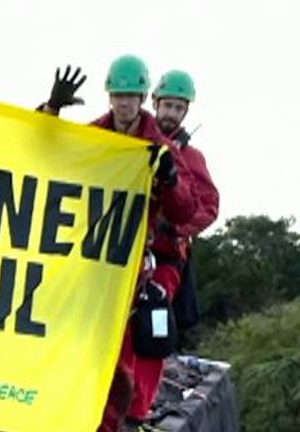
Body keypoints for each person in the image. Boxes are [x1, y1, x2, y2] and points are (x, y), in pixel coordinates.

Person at [39, 55, 197, 432]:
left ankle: (112, 424)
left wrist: (171, 179)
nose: (124, 103)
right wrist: (51, 109)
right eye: (118, 95)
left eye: (131, 96)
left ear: (143, 97)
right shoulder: (98, 134)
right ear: (109, 96)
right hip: (91, 258)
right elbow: (50, 152)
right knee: (75, 342)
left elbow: (186, 209)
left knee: (121, 355)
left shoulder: (160, 148)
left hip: (129, 269)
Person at [125, 70, 219, 428]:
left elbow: (207, 206)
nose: (172, 114)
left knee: (152, 328)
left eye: (179, 108)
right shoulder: (134, 142)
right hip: (122, 254)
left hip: (163, 260)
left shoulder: (189, 157)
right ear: (154, 103)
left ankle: (137, 410)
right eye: (167, 105)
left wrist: (175, 224)